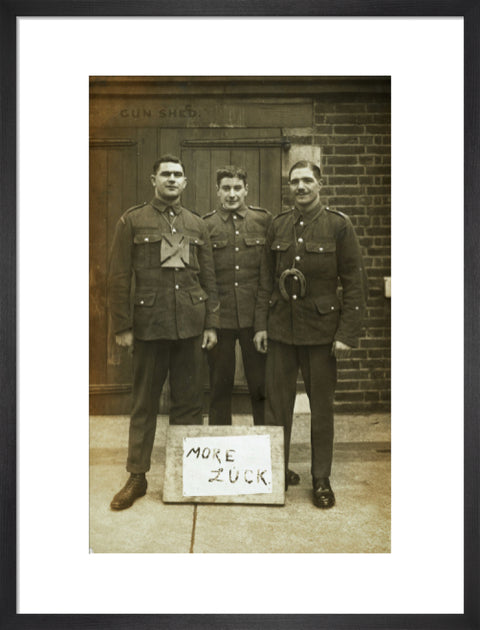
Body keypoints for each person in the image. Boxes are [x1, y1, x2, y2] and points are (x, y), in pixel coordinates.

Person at [107, 155, 219, 510]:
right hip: (149, 327)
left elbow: (208, 278)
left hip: (188, 326)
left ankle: (187, 473)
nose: (172, 179)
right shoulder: (132, 220)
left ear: (185, 183)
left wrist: (211, 323)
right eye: (166, 174)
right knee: (144, 404)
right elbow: (118, 277)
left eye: (178, 175)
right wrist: (123, 326)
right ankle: (137, 476)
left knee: (189, 403)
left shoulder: (196, 224)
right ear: (152, 178)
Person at [254, 160, 366, 507]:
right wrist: (261, 325)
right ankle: (275, 473)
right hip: (281, 333)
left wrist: (346, 333)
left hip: (321, 335)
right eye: (294, 182)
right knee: (277, 408)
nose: (300, 187)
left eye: (307, 181)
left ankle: (321, 480)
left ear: (320, 184)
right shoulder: (279, 225)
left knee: (321, 410)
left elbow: (354, 282)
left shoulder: (338, 225)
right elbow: (265, 281)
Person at [203, 165, 300, 487]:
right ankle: (219, 468)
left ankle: (269, 463)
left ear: (247, 190)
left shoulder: (264, 221)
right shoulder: (206, 225)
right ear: (217, 191)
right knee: (219, 390)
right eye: (226, 187)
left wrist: (262, 326)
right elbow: (207, 279)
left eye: (237, 187)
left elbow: (268, 277)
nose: (231, 193)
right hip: (220, 322)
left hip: (255, 322)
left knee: (262, 390)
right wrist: (211, 324)